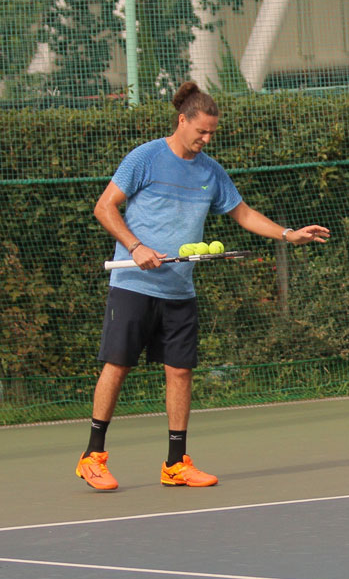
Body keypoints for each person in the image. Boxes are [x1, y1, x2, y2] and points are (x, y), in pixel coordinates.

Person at [76, 82, 330, 490]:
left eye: (212, 133)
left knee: (180, 372)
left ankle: (175, 464)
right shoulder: (145, 157)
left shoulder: (210, 171)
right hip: (133, 284)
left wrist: (288, 234)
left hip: (179, 290)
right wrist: (136, 247)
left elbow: (243, 213)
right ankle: (92, 457)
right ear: (182, 120)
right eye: (201, 131)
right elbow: (104, 207)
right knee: (118, 366)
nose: (206, 139)